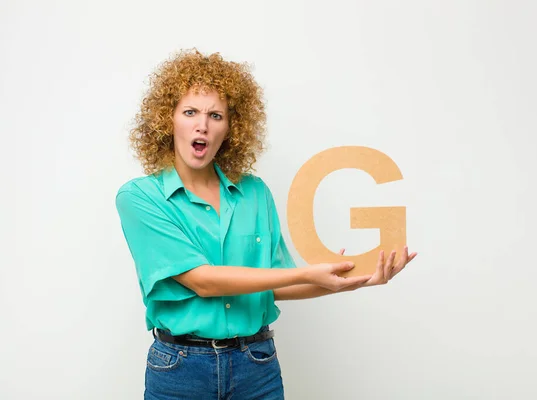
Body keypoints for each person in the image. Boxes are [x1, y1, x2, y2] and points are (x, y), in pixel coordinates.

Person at [115, 49, 417, 400]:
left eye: (216, 115)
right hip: (181, 370)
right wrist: (305, 274)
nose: (203, 125)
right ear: (168, 120)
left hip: (256, 366)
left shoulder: (255, 193)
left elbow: (275, 282)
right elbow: (203, 281)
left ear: (230, 128)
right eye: (190, 112)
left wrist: (354, 280)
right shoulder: (140, 198)